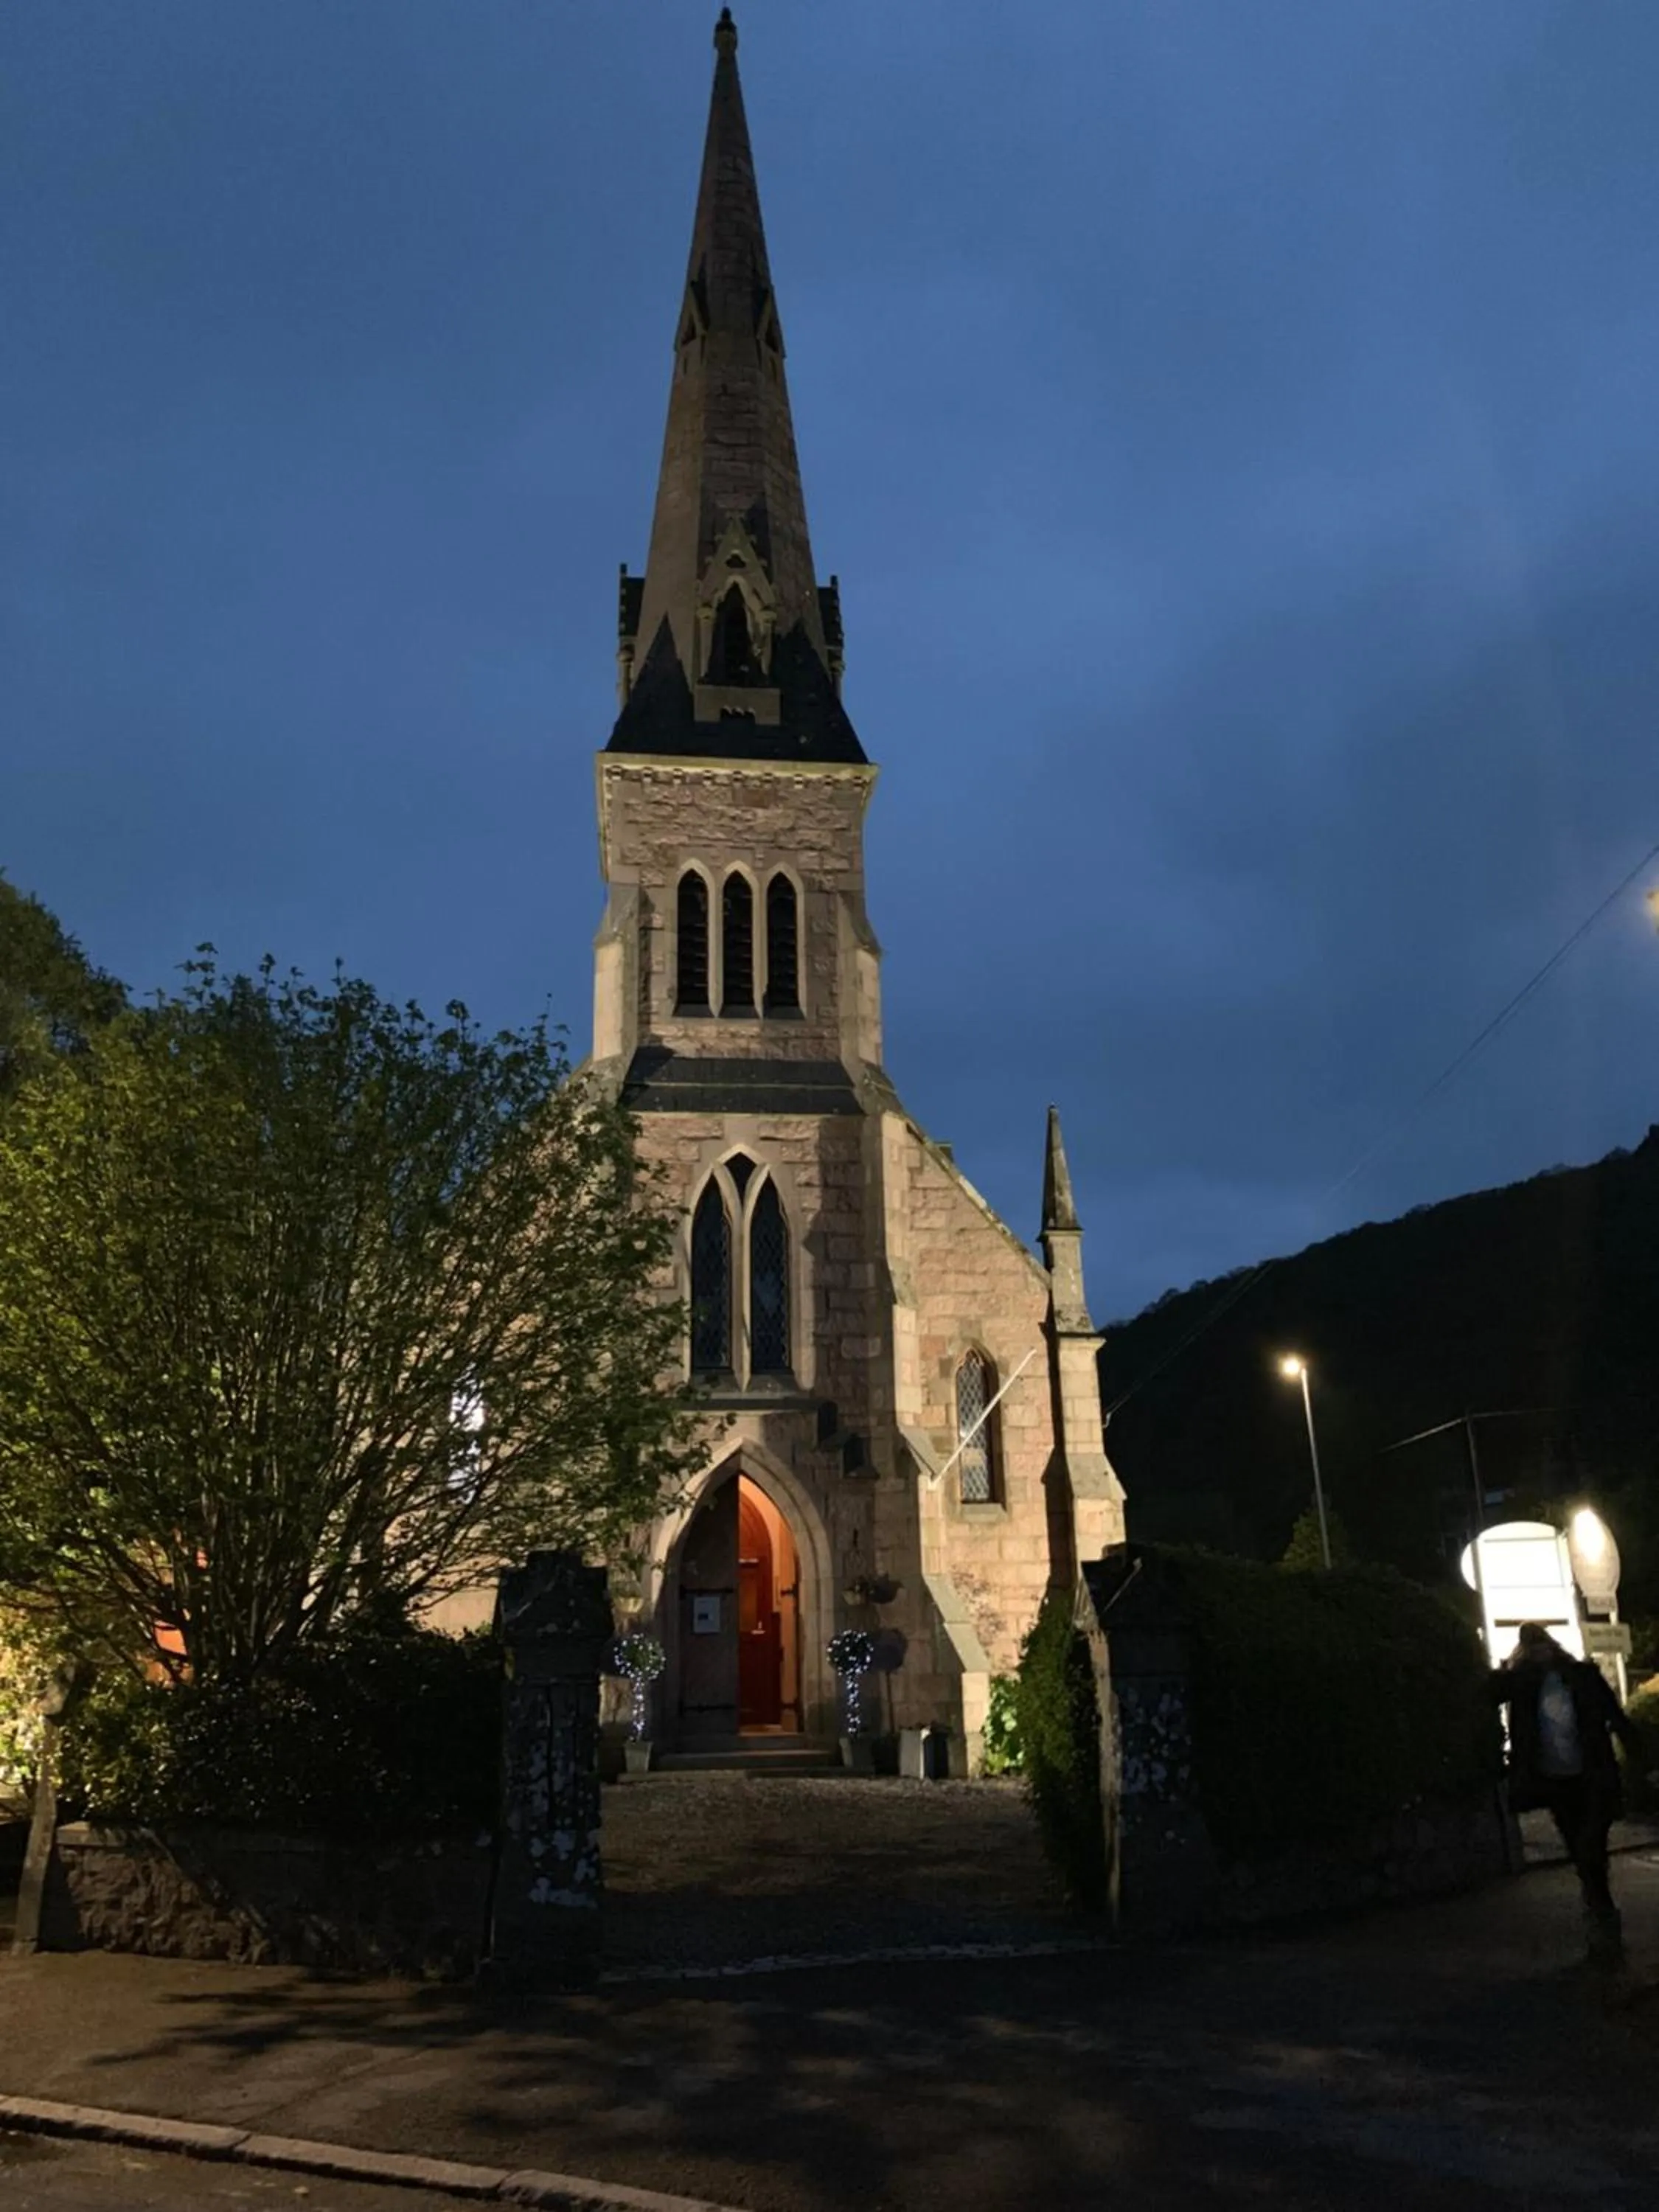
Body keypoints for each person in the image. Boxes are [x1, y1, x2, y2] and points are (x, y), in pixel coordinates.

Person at [1492, 1621, 1646, 1961]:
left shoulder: (1581, 1677)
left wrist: (1638, 1759)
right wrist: (1510, 1667)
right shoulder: (1526, 1684)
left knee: (1590, 1847)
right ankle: (1601, 1920)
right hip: (1557, 1782)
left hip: (1591, 1778)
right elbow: (1490, 1692)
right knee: (1581, 1851)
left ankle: (1602, 1920)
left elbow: (1613, 1715)